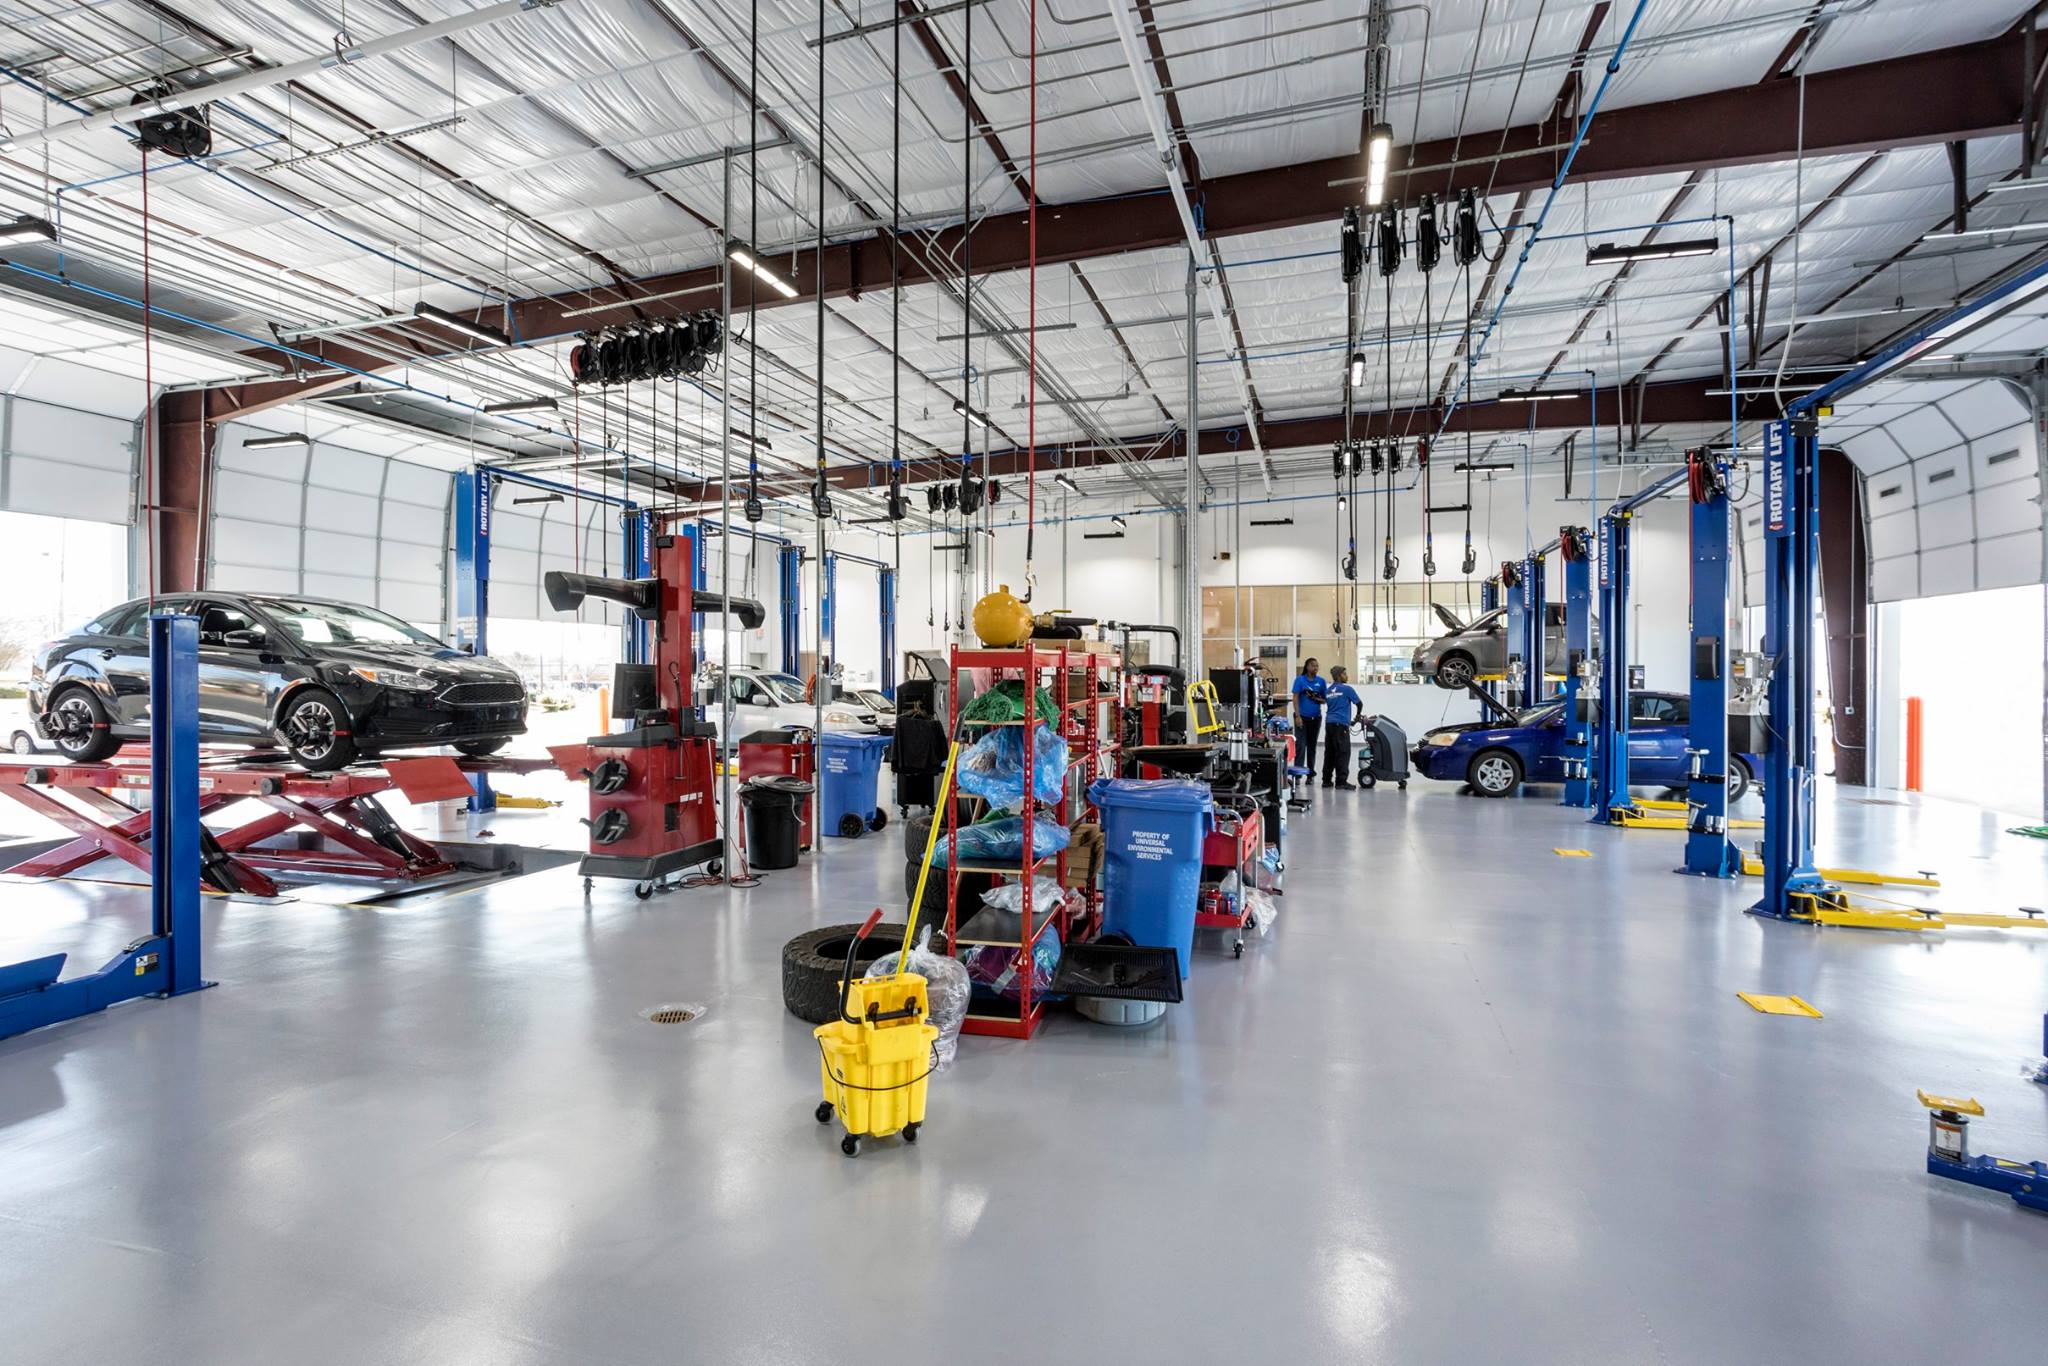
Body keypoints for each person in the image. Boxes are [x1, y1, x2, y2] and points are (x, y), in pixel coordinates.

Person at [1320, 666, 1363, 789]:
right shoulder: (1347, 689)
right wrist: (1358, 716)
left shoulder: (1328, 691)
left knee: (1330, 753)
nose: (1346, 676)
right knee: (1343, 752)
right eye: (1344, 674)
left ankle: (1326, 780)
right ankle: (1341, 781)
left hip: (1329, 724)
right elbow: (1359, 703)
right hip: (1341, 726)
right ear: (1339, 676)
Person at [1290, 657, 1327, 778]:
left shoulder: (1321, 681)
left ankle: (1310, 774)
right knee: (1300, 746)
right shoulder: (1300, 680)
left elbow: (1325, 700)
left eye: (1317, 666)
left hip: (1315, 719)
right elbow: (1295, 698)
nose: (1315, 668)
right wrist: (1297, 716)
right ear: (1307, 667)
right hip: (1302, 718)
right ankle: (1298, 775)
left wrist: (1315, 698)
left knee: (1312, 747)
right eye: (1313, 665)